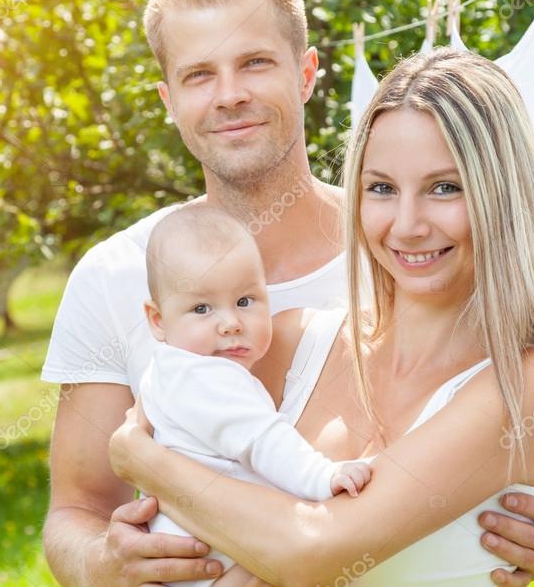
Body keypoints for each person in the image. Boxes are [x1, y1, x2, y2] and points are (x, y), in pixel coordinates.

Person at [41, 0, 534, 586]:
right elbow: (79, 509)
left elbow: (315, 543)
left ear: (306, 73)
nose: (230, 95)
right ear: (168, 97)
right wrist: (103, 564)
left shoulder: (393, 272)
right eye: (200, 74)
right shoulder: (153, 288)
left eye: (255, 63)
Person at [139, 204, 372, 586]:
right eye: (202, 308)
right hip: (207, 558)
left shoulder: (168, 372)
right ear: (158, 320)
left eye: (245, 301)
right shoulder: (204, 378)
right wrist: (323, 475)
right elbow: (262, 440)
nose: (231, 323)